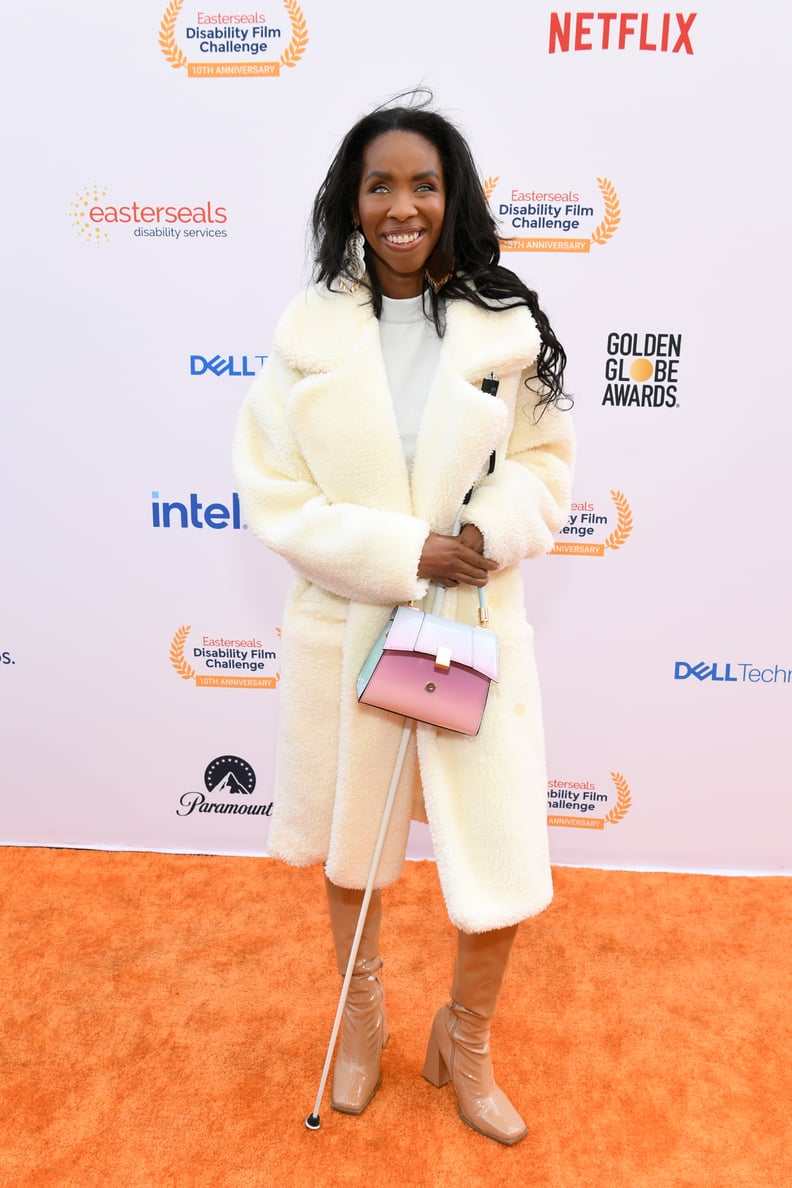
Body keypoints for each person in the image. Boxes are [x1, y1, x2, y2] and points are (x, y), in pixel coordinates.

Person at [233, 98, 574, 1146]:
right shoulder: (306, 340)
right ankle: (364, 1018)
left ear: (451, 198)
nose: (402, 206)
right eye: (380, 185)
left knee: (501, 857)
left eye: (423, 184)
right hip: (354, 624)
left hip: (469, 616)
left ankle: (462, 1042)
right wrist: (398, 552)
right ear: (351, 202)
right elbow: (275, 492)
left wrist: (489, 526)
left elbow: (545, 467)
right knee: (353, 847)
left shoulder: (506, 324)